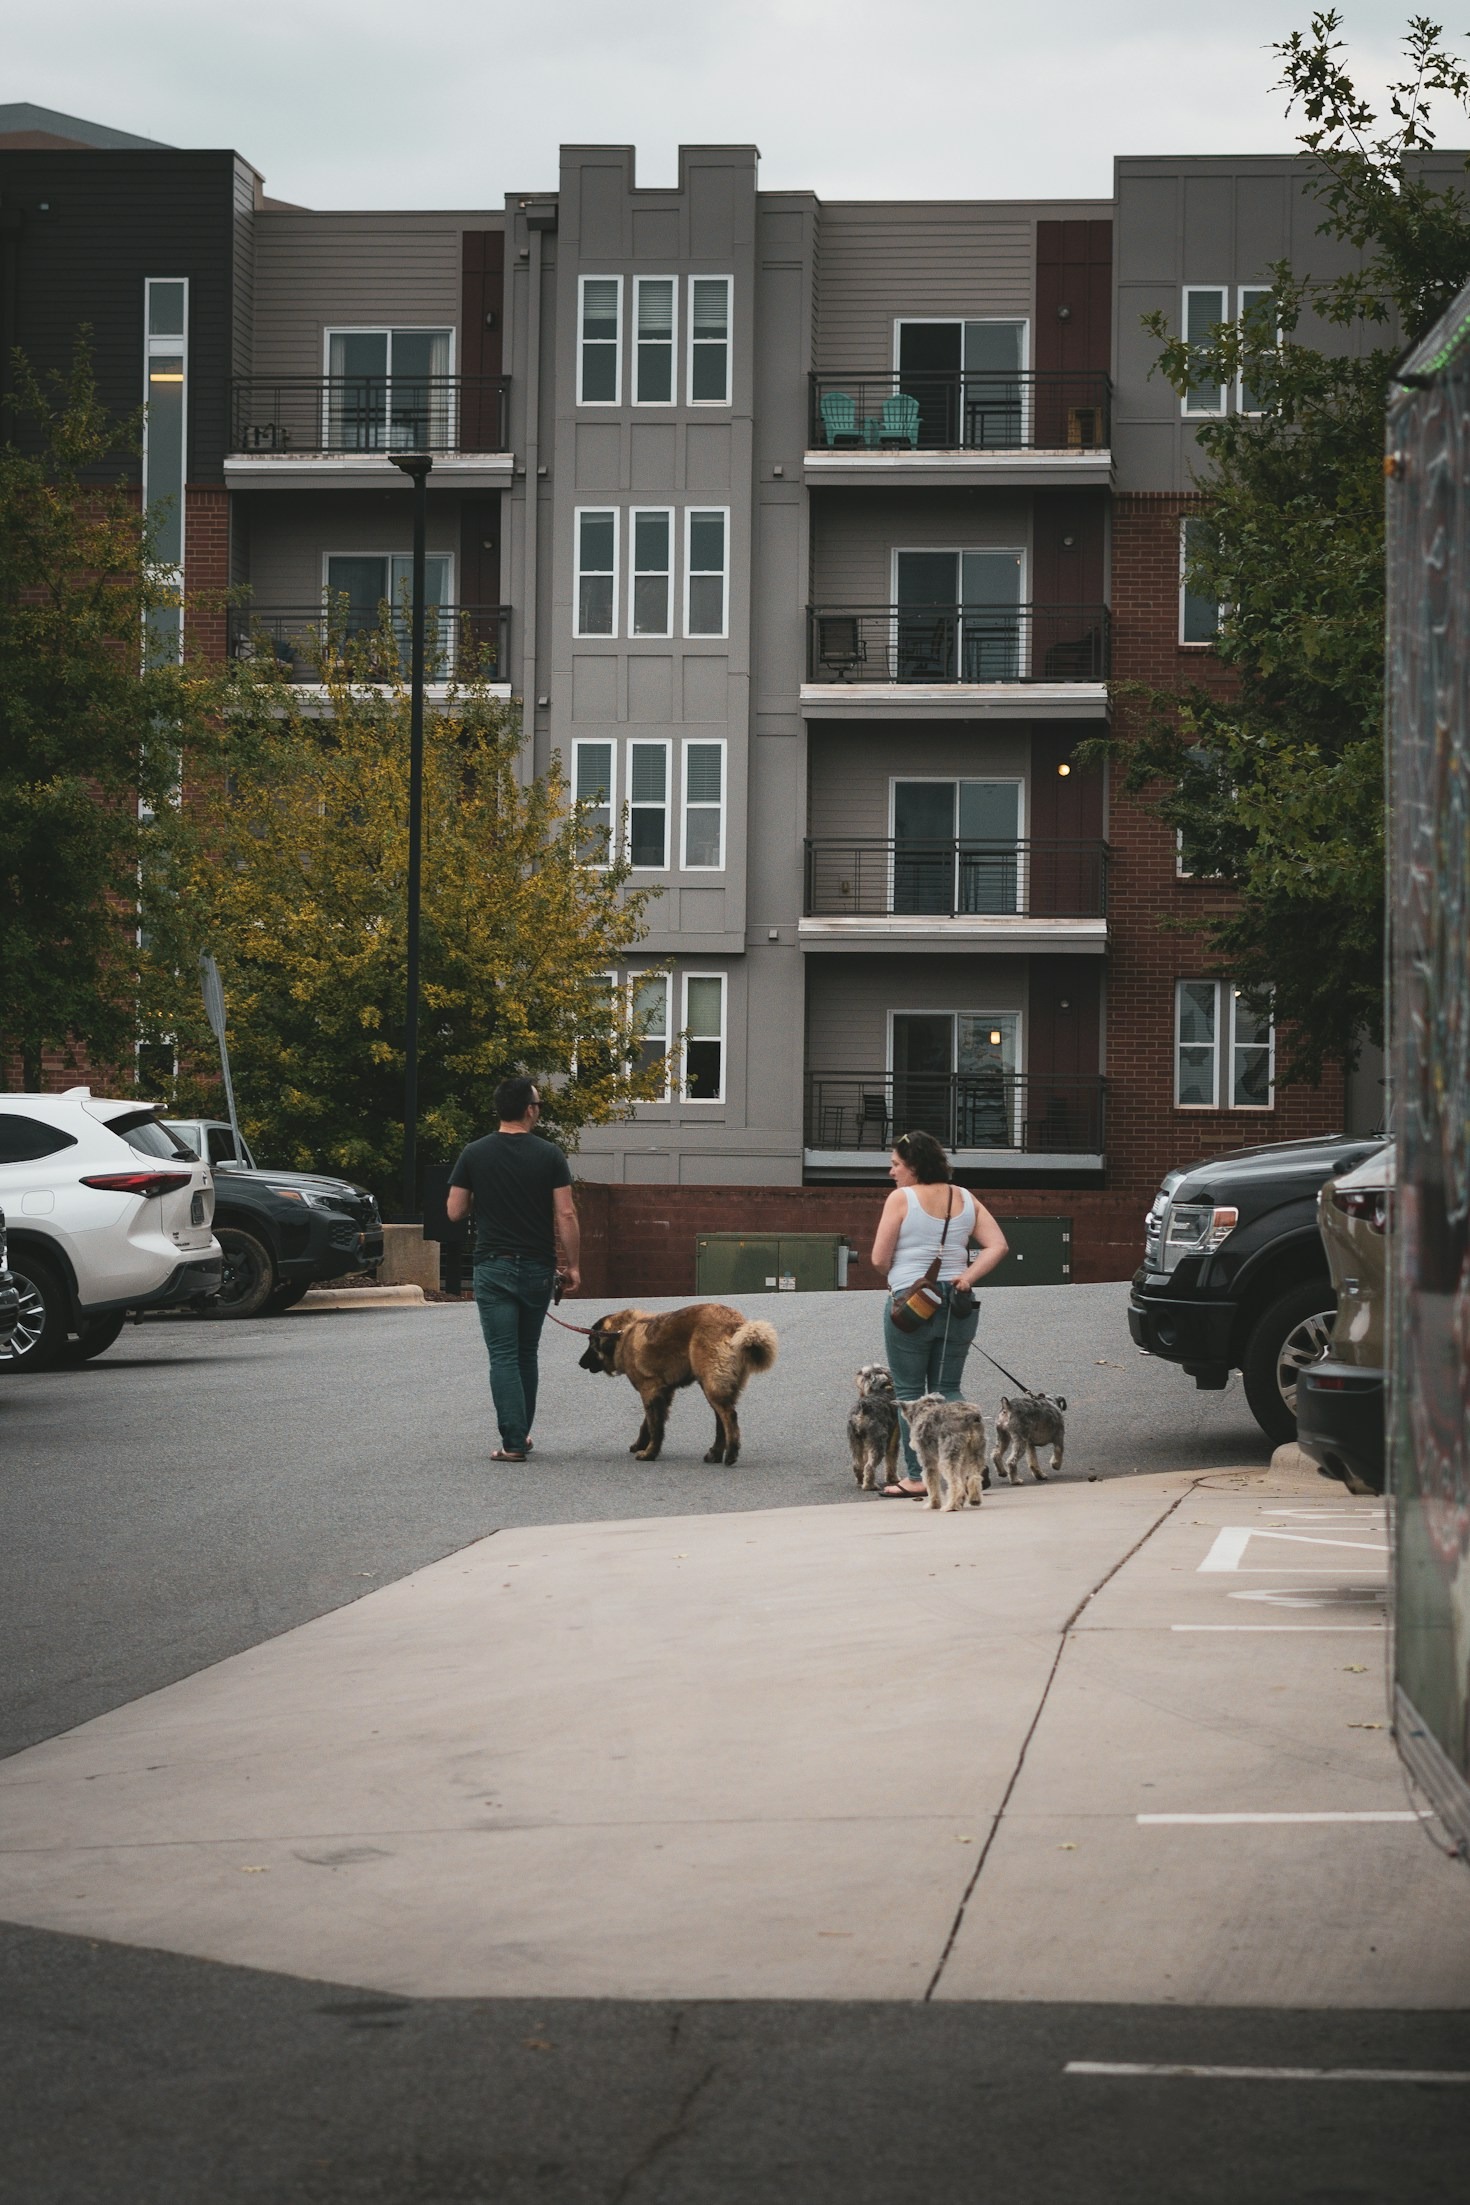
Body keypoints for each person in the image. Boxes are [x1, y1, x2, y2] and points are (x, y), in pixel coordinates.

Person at [446, 1076, 581, 1463]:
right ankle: (522, 1434)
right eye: (537, 1103)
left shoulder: (474, 1153)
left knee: (503, 1354)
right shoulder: (549, 1155)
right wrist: (573, 1267)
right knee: (526, 1352)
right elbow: (566, 1214)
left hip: (493, 1266)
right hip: (538, 1267)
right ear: (528, 1109)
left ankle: (513, 1442)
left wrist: (483, 1196)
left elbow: (454, 1211)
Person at [869, 1128, 1008, 1497]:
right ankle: (966, 1467)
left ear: (913, 1166)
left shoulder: (900, 1200)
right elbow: (998, 1245)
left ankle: (918, 1477)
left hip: (912, 1306)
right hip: (958, 1303)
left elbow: (880, 1261)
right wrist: (966, 1276)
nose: (892, 1172)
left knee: (912, 1392)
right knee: (948, 1388)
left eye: (896, 1164)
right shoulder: (965, 1197)